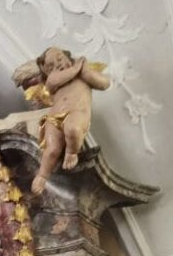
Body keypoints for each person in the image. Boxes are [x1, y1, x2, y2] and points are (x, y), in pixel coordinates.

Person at [13, 46, 110, 195]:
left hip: (77, 113)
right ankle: (42, 175)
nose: (57, 65)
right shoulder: (54, 80)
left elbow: (104, 83)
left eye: (59, 59)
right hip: (55, 116)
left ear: (67, 57)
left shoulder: (84, 76)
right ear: (45, 73)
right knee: (51, 149)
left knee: (73, 129)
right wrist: (78, 66)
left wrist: (86, 71)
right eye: (50, 66)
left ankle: (71, 152)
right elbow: (56, 79)